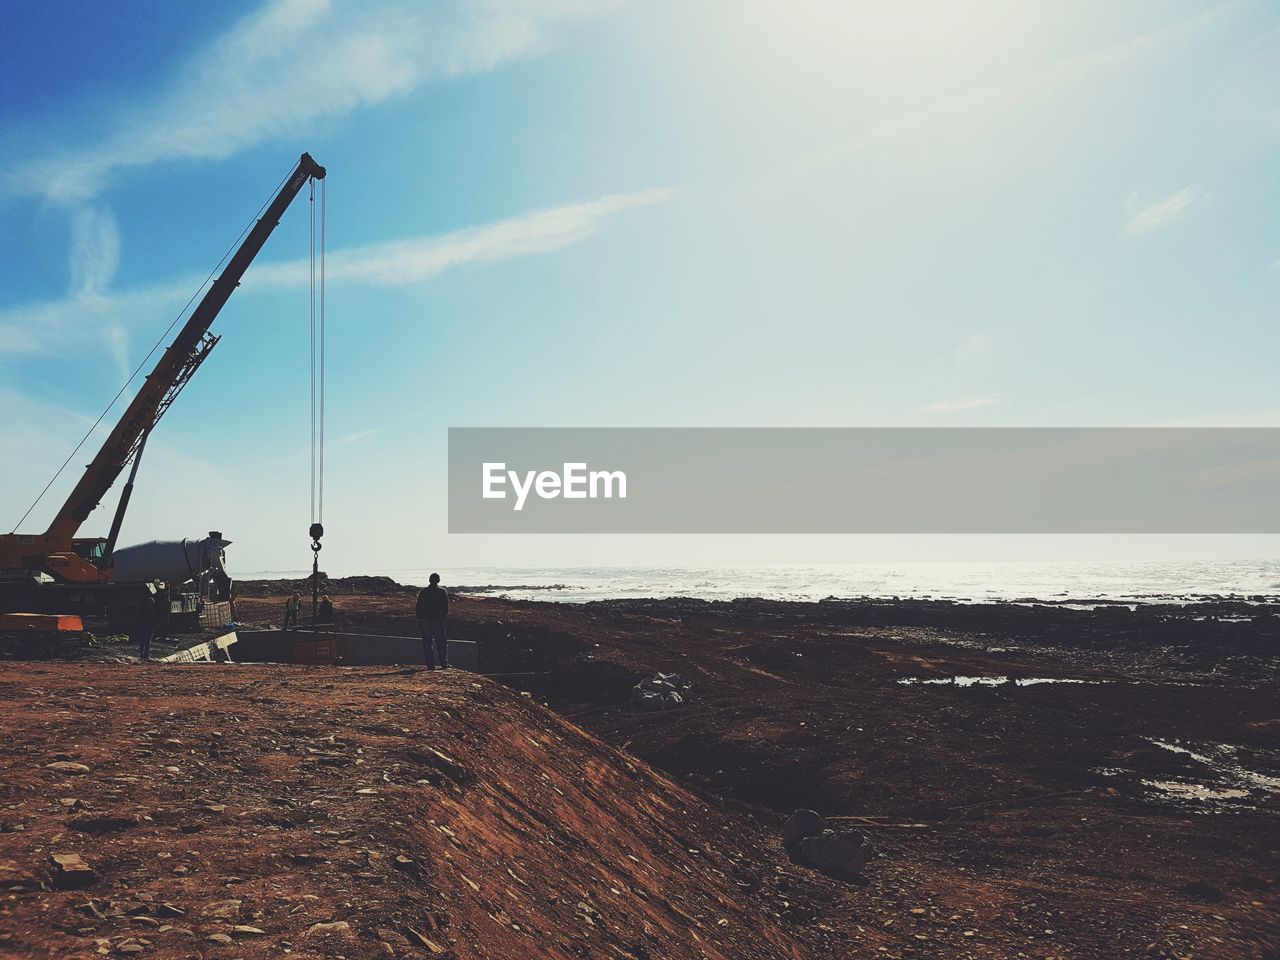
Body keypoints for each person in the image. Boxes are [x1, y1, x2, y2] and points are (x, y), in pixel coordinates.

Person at [415, 573, 449, 669]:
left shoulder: (424, 592)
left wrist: (420, 619)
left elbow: (418, 607)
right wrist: (444, 620)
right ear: (438, 580)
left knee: (427, 643)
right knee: (441, 642)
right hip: (438, 621)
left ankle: (430, 664)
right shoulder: (442, 591)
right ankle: (444, 663)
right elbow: (445, 608)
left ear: (429, 580)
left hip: (426, 620)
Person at [134, 596, 156, 662]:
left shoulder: (142, 608)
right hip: (149, 626)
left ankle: (141, 655)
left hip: (142, 626)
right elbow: (153, 619)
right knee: (147, 642)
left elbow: (138, 618)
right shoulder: (151, 609)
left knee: (142, 641)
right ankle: (146, 655)